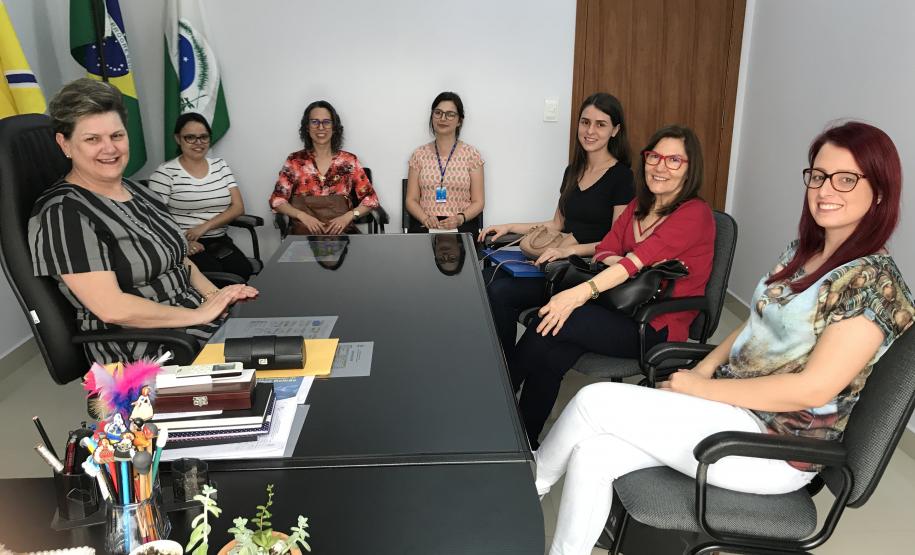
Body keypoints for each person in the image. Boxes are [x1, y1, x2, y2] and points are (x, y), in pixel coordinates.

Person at [534, 121, 914, 555]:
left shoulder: (872, 283)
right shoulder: (805, 252)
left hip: (772, 447)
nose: (826, 190)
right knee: (594, 454)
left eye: (847, 179)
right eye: (819, 175)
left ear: (880, 191)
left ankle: (527, 493)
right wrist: (705, 366)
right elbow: (757, 320)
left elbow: (815, 389)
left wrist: (701, 388)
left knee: (591, 402)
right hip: (731, 412)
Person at [512, 125, 715, 448]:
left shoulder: (694, 214)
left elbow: (633, 262)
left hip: (656, 325)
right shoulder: (638, 206)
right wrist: (622, 264)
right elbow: (606, 248)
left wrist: (583, 290)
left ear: (691, 169)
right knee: (553, 348)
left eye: (674, 160)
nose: (660, 166)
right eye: (654, 157)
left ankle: (501, 397)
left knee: (559, 318)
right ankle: (523, 440)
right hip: (616, 308)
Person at [29, 78, 257, 364]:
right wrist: (199, 314)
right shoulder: (63, 213)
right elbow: (112, 308)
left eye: (117, 136)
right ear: (65, 144)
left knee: (291, 338)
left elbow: (179, 259)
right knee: (275, 365)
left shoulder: (139, 191)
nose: (109, 148)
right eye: (92, 139)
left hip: (193, 324)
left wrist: (217, 296)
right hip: (145, 349)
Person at [480, 93, 635, 361]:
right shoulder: (573, 170)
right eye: (585, 122)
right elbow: (556, 224)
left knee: (499, 291)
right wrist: (509, 226)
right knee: (485, 279)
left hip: (583, 272)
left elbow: (617, 242)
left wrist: (570, 251)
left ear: (615, 131)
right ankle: (500, 361)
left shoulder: (622, 176)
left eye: (600, 124)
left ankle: (506, 369)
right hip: (557, 262)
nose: (590, 131)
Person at [149, 112, 254, 280]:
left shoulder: (220, 166)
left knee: (243, 272)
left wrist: (204, 227)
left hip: (219, 240)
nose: (198, 143)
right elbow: (153, 219)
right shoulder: (165, 173)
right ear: (178, 139)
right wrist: (184, 243)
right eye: (190, 137)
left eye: (203, 137)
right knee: (218, 280)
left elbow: (238, 207)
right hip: (183, 243)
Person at [269, 100, 379, 235]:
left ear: (334, 127)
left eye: (326, 122)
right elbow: (277, 200)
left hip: (341, 234)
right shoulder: (295, 161)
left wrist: (348, 216)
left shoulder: (349, 161)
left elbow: (370, 200)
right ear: (307, 127)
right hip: (304, 235)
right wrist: (302, 216)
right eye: (314, 122)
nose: (321, 127)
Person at [405, 91, 484, 233]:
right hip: (426, 224)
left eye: (450, 114)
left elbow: (478, 202)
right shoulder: (419, 155)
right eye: (438, 113)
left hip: (461, 225)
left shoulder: (472, 155)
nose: (443, 118)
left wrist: (460, 218)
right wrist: (425, 218)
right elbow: (411, 199)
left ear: (459, 120)